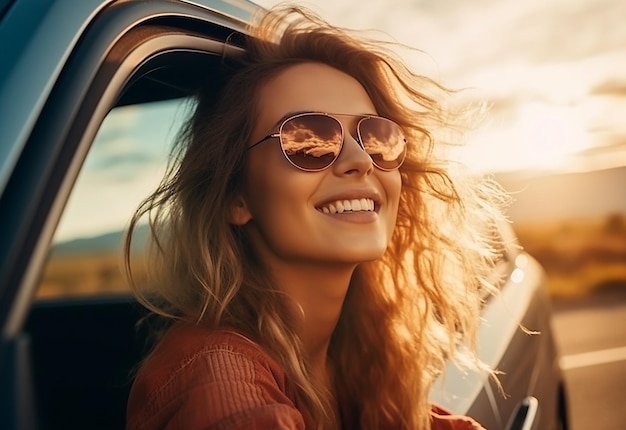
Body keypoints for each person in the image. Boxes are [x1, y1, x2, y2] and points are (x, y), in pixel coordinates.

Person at [125, 5, 507, 430]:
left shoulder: (357, 358)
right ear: (236, 196)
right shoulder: (216, 374)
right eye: (309, 142)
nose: (361, 160)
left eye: (377, 138)